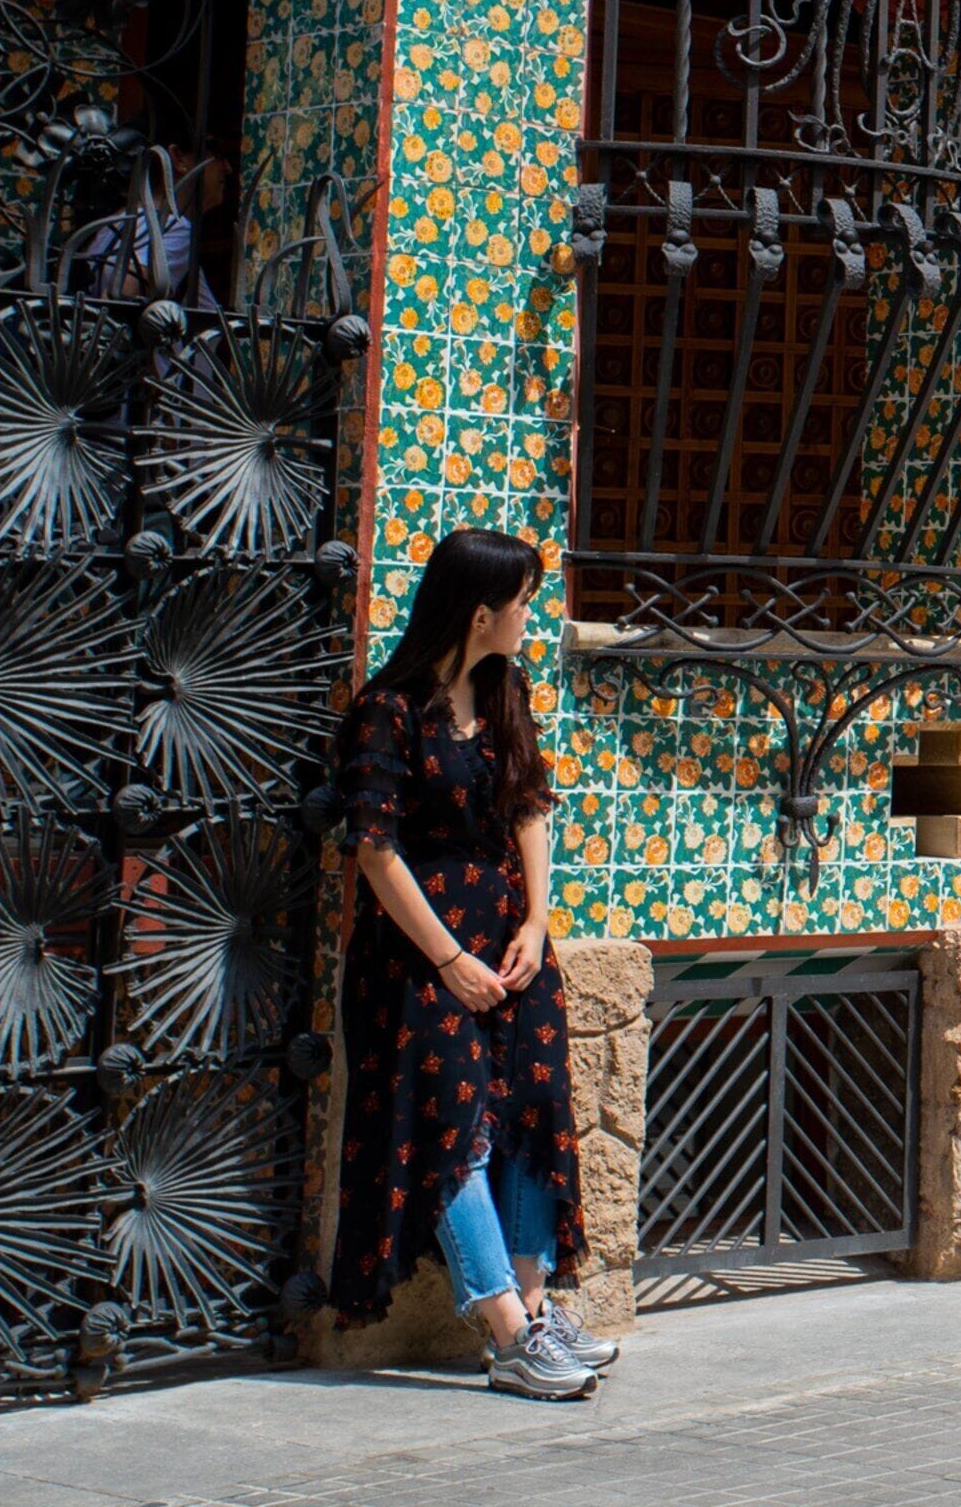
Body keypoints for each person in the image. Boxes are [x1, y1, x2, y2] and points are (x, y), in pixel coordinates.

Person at [327, 529, 616, 1399]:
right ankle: (508, 1332)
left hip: (510, 944)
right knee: (454, 1130)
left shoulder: (503, 691)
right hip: (418, 958)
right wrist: (450, 959)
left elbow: (528, 801)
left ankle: (534, 1312)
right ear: (482, 612)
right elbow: (375, 853)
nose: (534, 616)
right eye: (525, 601)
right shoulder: (388, 712)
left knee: (530, 1111)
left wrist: (536, 918)